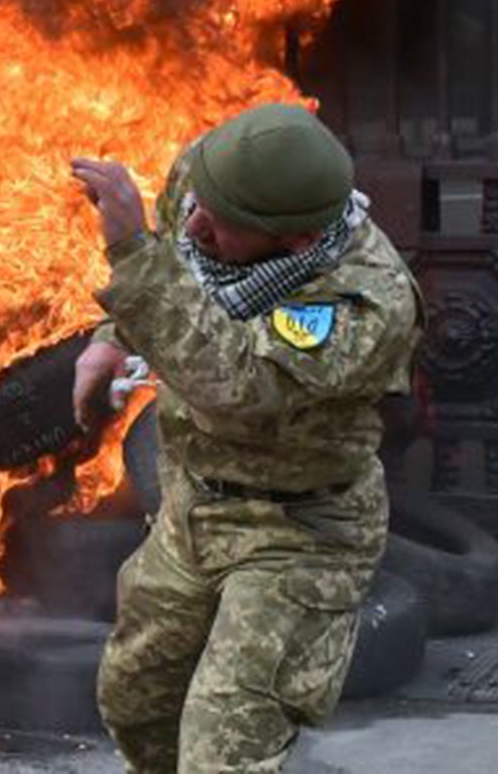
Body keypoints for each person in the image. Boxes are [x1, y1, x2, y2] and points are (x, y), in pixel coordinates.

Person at [69, 103, 421, 774]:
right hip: (193, 508)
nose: (196, 225)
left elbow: (234, 385)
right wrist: (112, 342)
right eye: (199, 201)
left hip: (299, 533)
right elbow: (180, 261)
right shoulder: (215, 178)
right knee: (136, 703)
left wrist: (130, 255)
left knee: (225, 747)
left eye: (221, 224)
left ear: (291, 241)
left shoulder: (363, 303)